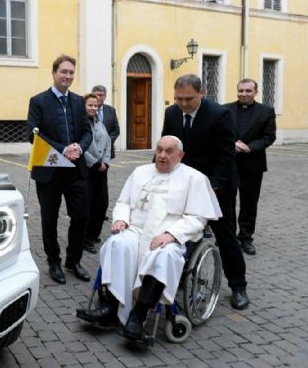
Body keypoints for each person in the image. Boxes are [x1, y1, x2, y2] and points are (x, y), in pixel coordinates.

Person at [76, 136, 221, 340]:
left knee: (164, 257)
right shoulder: (140, 172)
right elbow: (123, 202)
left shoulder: (194, 178)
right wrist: (121, 219)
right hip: (135, 230)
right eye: (159, 150)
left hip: (167, 235)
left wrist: (171, 234)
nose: (162, 155)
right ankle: (110, 306)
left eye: (169, 151)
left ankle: (138, 315)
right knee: (117, 243)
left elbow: (199, 218)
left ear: (180, 155)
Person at [160, 74, 249, 310]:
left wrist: (213, 188)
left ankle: (239, 286)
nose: (183, 104)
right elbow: (166, 147)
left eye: (189, 98)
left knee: (225, 235)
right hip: (184, 183)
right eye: (178, 98)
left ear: (202, 93)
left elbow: (225, 156)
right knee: (181, 230)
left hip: (217, 185)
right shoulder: (171, 113)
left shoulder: (219, 115)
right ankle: (180, 276)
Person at [27, 54, 93, 284]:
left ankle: (73, 260)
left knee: (82, 216)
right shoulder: (38, 101)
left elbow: (87, 132)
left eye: (71, 73)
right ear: (54, 73)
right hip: (50, 171)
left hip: (76, 170)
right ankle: (53, 262)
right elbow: (33, 134)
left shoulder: (77, 101)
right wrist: (62, 149)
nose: (67, 76)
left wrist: (79, 148)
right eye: (63, 72)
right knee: (49, 219)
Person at [225, 78, 277, 255]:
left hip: (253, 164)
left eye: (248, 91)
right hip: (229, 164)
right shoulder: (225, 109)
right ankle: (229, 237)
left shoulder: (266, 111)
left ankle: (246, 238)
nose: (244, 94)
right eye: (241, 91)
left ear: (255, 92)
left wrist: (250, 147)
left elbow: (269, 136)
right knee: (227, 202)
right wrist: (231, 144)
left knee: (249, 203)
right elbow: (219, 133)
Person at [82, 93, 111, 254]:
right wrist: (95, 163)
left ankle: (94, 234)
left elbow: (107, 142)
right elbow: (80, 147)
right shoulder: (80, 124)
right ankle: (85, 238)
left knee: (102, 203)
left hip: (102, 170)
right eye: (90, 105)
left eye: (95, 105)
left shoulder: (99, 122)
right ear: (84, 106)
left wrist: (105, 162)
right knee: (88, 205)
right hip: (87, 170)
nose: (93, 108)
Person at [91, 85, 120, 159]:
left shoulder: (111, 110)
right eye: (96, 95)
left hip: (107, 151)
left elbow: (116, 130)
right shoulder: (87, 110)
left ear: (105, 97)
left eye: (101, 95)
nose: (99, 97)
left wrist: (107, 142)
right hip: (92, 150)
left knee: (104, 169)